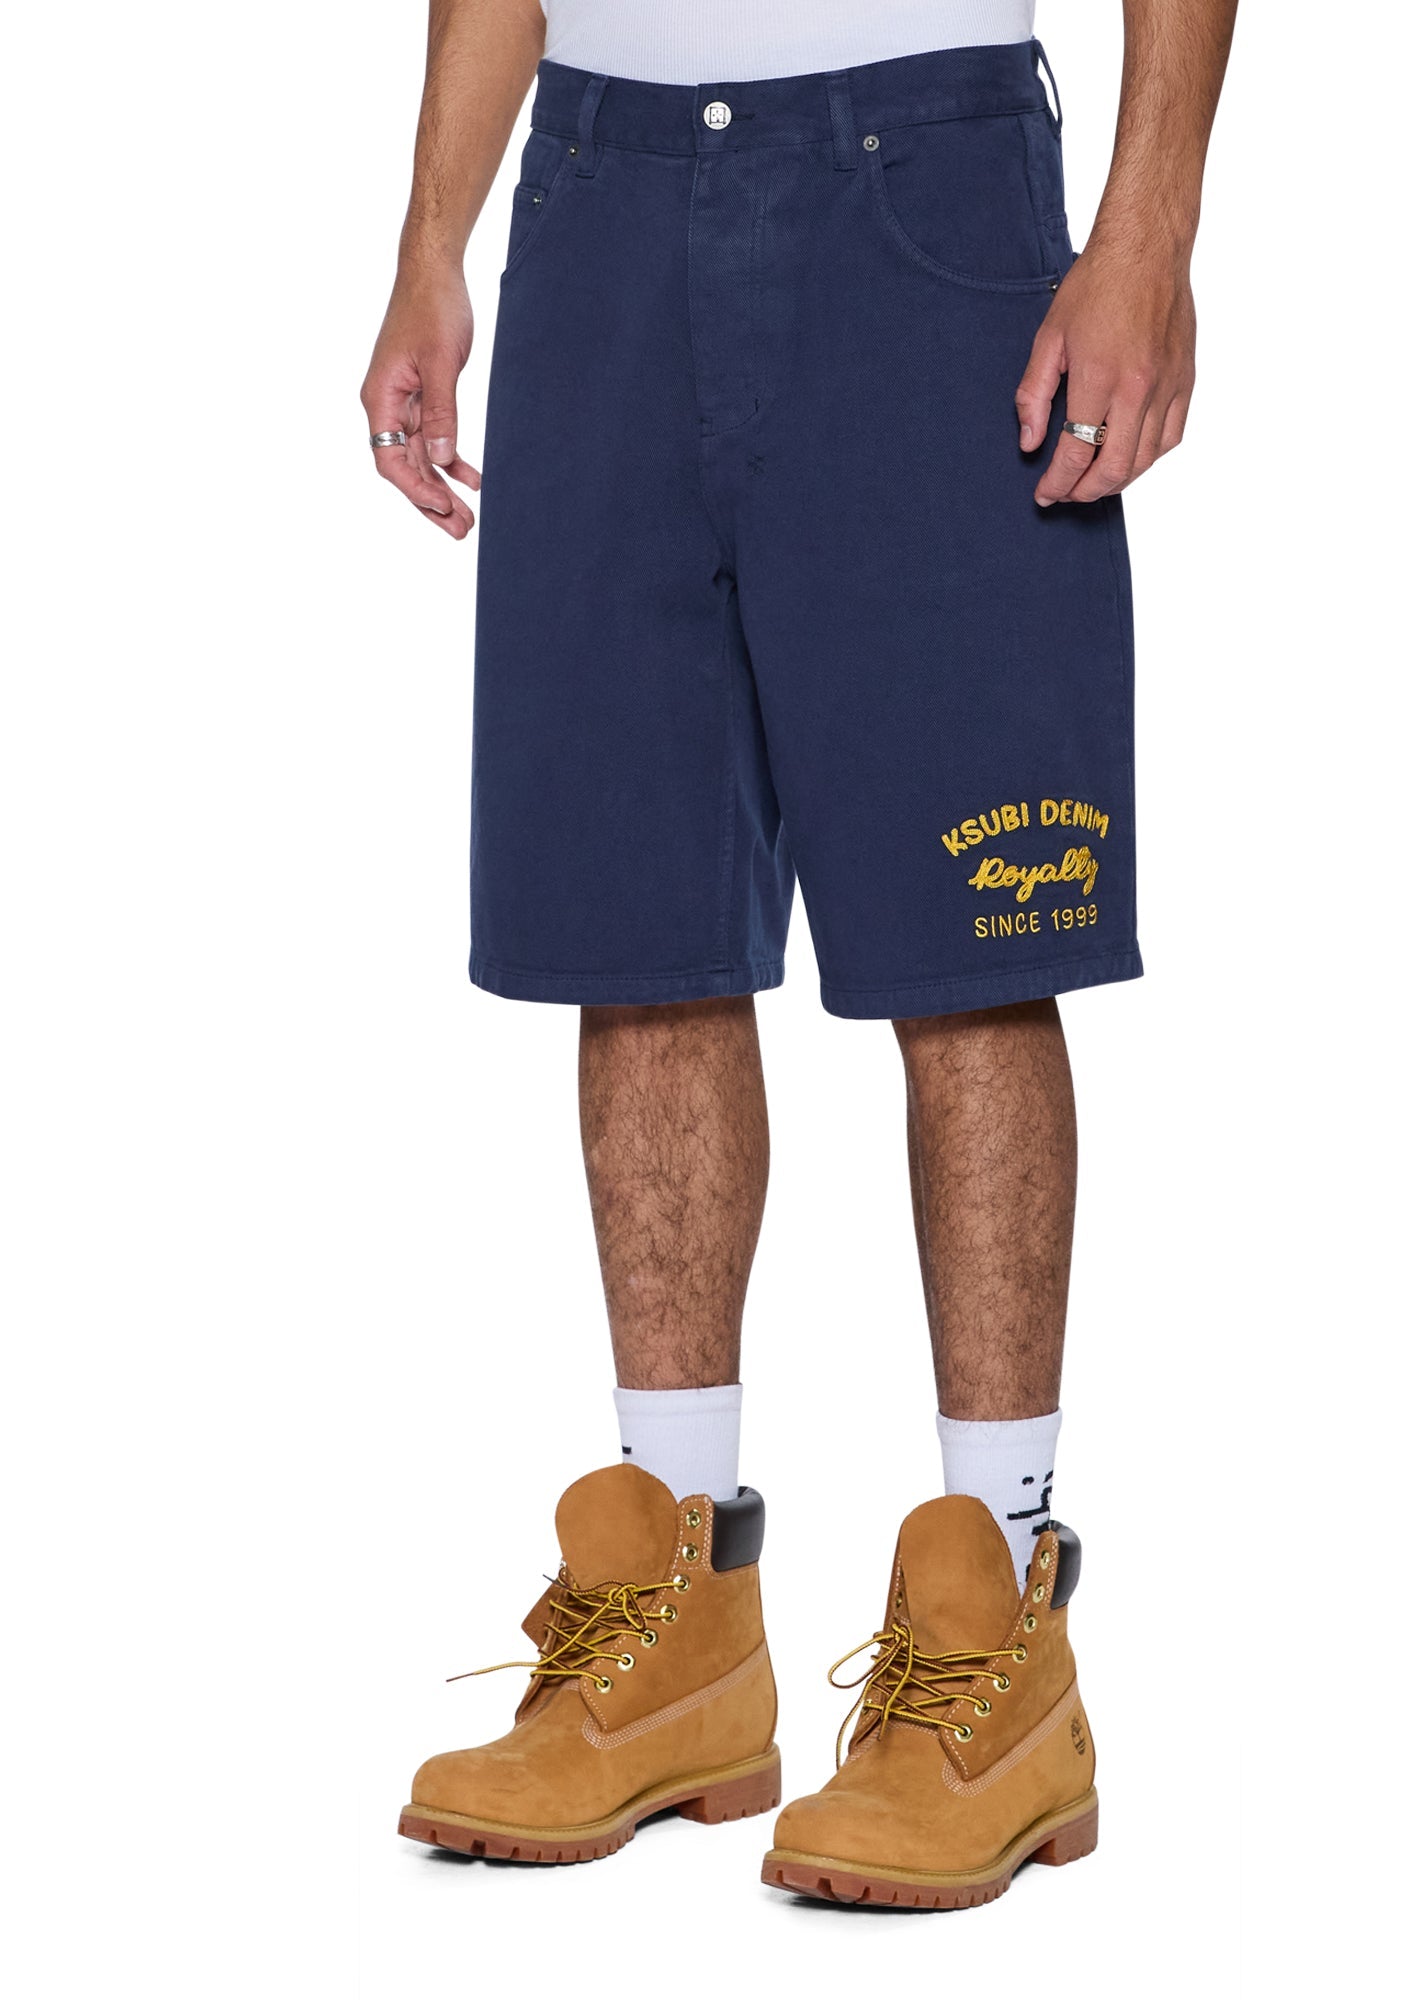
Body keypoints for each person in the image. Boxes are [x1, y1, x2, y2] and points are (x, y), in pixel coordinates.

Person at [363, 0, 1234, 1908]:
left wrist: (1149, 228)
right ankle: (678, 1621)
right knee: (635, 926)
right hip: (594, 196)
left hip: (922, 189)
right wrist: (434, 235)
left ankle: (1000, 1632)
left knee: (969, 941)